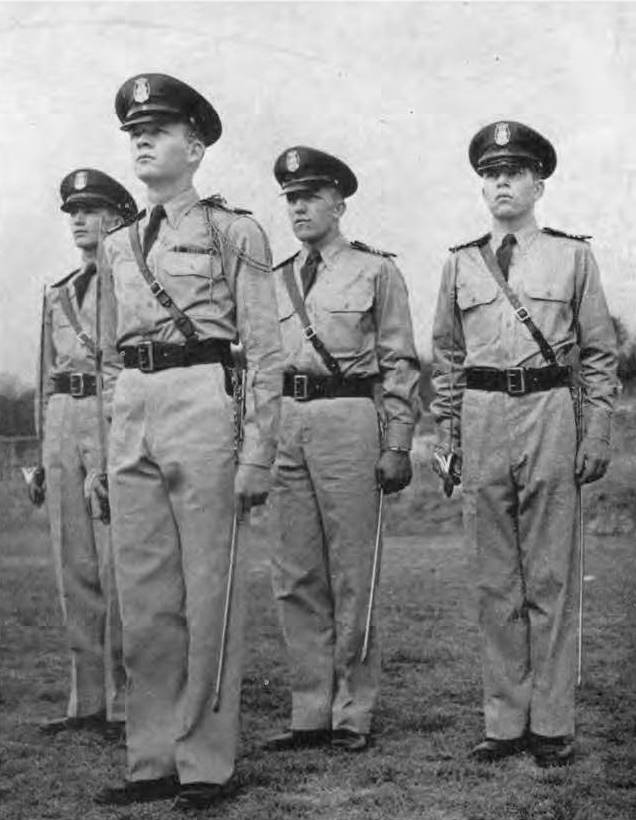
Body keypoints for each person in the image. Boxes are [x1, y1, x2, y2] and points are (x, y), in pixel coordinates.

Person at [93, 74, 283, 810]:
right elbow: (111, 356)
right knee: (142, 602)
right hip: (134, 407)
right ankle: (150, 762)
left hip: (205, 399)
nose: (141, 140)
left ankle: (205, 763)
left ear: (195, 146)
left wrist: (259, 452)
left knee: (209, 595)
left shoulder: (235, 231)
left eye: (159, 130)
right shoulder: (116, 245)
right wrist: (110, 442)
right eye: (135, 131)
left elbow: (264, 353)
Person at [430, 121, 617, 767]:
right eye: (490, 173)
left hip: (548, 409)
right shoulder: (460, 262)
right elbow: (448, 358)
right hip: (482, 414)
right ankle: (504, 723)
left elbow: (598, 354)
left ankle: (552, 724)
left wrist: (596, 431)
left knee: (550, 576)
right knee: (493, 578)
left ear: (539, 182)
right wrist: (446, 435)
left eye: (513, 172)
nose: (501, 183)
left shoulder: (572, 257)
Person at [265, 146, 420, 753]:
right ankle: (309, 710)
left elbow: (399, 361)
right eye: (291, 199)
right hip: (286, 420)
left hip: (348, 416)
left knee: (353, 571)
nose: (299, 208)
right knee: (295, 572)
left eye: (311, 196)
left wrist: (399, 442)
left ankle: (352, 712)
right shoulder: (274, 280)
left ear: (339, 203)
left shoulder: (375, 271)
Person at [31, 168, 136, 739]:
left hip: (109, 414)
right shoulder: (58, 291)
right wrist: (42, 455)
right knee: (72, 563)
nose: (78, 220)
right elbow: (48, 373)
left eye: (91, 210)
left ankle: (124, 701)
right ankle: (86, 701)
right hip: (63, 423)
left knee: (116, 563)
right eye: (73, 211)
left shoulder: (127, 282)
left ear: (118, 219)